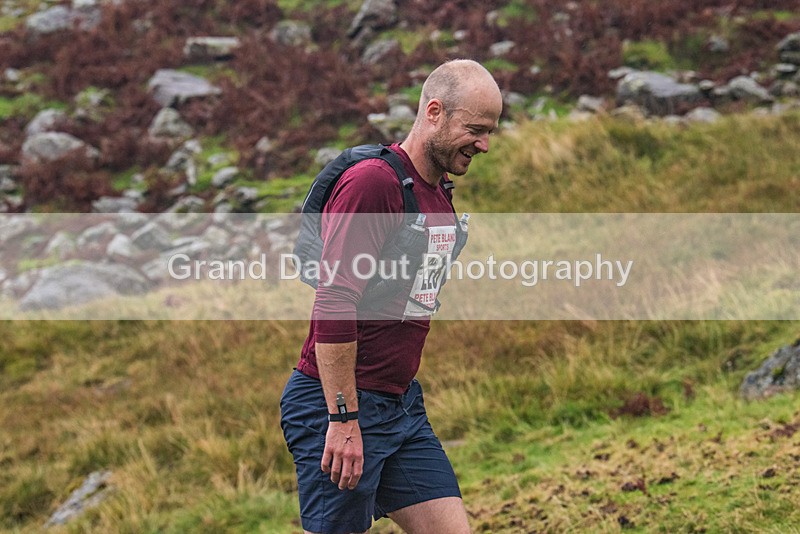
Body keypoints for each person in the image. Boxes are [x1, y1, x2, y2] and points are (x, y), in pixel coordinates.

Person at [280, 59, 503, 534]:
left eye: (490, 133)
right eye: (476, 130)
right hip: (339, 407)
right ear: (435, 112)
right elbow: (334, 299)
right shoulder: (373, 183)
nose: (484, 145)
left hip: (400, 407)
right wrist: (342, 419)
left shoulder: (437, 190)